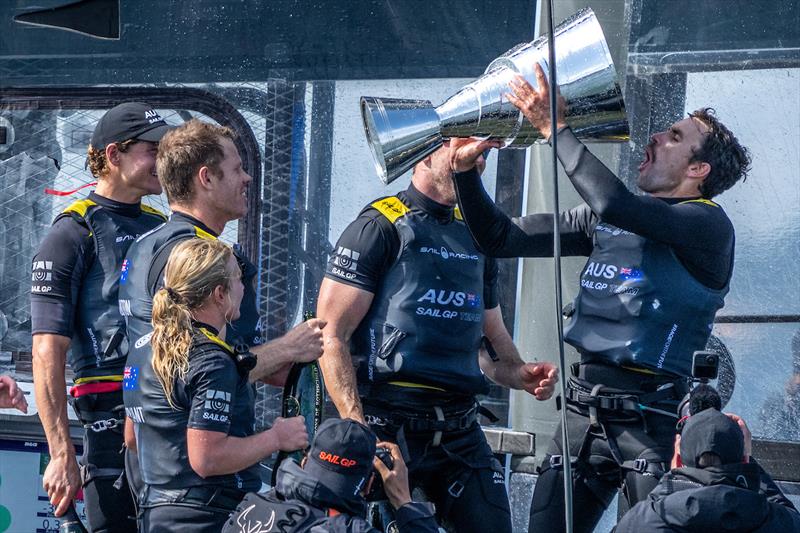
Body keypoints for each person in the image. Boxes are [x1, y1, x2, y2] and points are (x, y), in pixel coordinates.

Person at [448, 63, 753, 532]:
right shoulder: (604, 222)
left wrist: (555, 127)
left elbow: (614, 202)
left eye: (674, 135)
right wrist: (466, 174)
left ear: (698, 169)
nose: (654, 137)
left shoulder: (708, 225)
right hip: (579, 413)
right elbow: (498, 238)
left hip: (649, 422)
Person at [316, 143, 558, 532]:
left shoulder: (477, 235)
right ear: (426, 153)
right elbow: (331, 336)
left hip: (458, 430)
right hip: (384, 423)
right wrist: (357, 429)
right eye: (467, 152)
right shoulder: (378, 226)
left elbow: (490, 337)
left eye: (483, 156)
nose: (478, 162)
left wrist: (519, 372)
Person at [121, 119, 325, 502]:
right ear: (206, 179)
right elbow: (200, 367)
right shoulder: (205, 262)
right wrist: (290, 349)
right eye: (236, 169)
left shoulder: (144, 245)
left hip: (153, 473)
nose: (247, 178)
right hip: (204, 483)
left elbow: (167, 365)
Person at [31, 102, 170, 531]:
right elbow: (45, 351)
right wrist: (60, 453)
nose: (163, 162)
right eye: (153, 150)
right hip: (108, 420)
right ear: (113, 155)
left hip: (166, 413)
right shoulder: (71, 232)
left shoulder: (163, 224)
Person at [130, 238, 310, 532]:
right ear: (219, 294)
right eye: (238, 280)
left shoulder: (145, 347)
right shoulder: (212, 359)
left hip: (155, 511)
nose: (244, 289)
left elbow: (132, 436)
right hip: (206, 516)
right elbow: (208, 458)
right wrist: (277, 437)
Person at [223, 418, 438, 532]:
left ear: (305, 462)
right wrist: (405, 502)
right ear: (368, 484)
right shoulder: (349, 530)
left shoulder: (250, 506)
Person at [615, 408, 800, 532]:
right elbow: (791, 516)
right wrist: (749, 459)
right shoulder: (775, 521)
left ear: (678, 458)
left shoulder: (643, 520)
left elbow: (652, 507)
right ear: (744, 460)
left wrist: (671, 475)